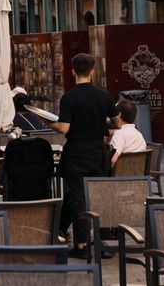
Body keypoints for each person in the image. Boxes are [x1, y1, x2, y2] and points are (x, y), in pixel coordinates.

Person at [44, 53, 118, 257]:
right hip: (98, 152)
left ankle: (82, 244)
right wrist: (99, 124)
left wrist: (49, 123)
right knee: (98, 195)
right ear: (93, 71)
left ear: (73, 71)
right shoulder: (104, 95)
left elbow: (64, 128)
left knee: (78, 198)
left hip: (77, 152)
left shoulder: (69, 97)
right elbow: (117, 123)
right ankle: (100, 242)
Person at [108, 99, 147, 168]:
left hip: (121, 177)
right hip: (139, 176)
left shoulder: (119, 134)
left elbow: (112, 160)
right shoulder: (138, 134)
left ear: (119, 115)